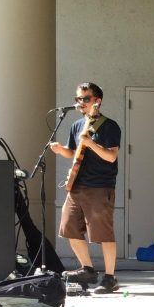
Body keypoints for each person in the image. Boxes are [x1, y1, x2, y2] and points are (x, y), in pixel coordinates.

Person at [50, 82, 121, 293]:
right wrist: (61, 150)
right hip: (76, 185)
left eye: (85, 99)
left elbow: (110, 156)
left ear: (97, 101)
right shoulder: (76, 125)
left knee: (103, 234)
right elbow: (74, 152)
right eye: (78, 99)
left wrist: (91, 143)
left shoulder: (109, 126)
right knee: (69, 227)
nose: (80, 103)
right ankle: (87, 269)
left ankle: (110, 278)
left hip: (100, 186)